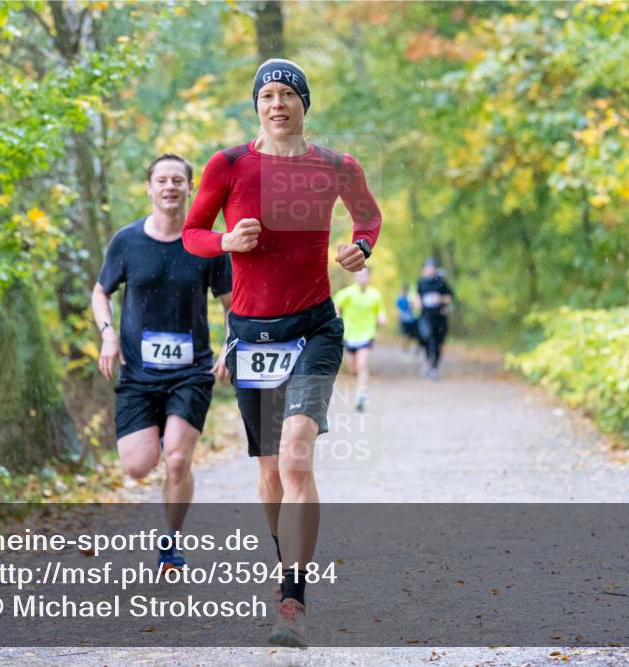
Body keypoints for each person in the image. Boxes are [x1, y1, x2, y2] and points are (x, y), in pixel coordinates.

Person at [182, 58, 382, 647]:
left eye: (287, 94)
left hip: (314, 329)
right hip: (252, 335)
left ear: (303, 104)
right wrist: (225, 239)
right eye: (267, 95)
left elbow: (368, 217)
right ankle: (285, 560)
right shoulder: (228, 165)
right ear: (256, 106)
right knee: (270, 471)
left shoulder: (336, 166)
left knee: (295, 459)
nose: (277, 103)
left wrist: (360, 246)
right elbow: (193, 233)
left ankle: (292, 598)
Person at [91, 153, 232, 572]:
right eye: (162, 180)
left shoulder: (207, 244)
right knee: (137, 466)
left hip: (191, 371)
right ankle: (158, 454)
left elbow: (232, 304)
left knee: (177, 458)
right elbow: (101, 292)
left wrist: (231, 344)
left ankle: (171, 542)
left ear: (190, 188)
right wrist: (108, 334)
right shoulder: (127, 241)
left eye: (177, 180)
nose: (170, 187)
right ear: (149, 188)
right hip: (138, 373)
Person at [334, 267, 386, 412]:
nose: (362, 278)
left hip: (367, 335)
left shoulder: (375, 295)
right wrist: (338, 317)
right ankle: (359, 382)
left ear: (369, 277)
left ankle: (361, 395)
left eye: (365, 275)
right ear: (355, 277)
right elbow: (335, 304)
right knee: (354, 368)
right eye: (359, 275)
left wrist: (382, 319)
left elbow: (380, 312)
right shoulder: (347, 293)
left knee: (362, 364)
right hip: (349, 336)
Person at [415, 257, 453, 381]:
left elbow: (450, 298)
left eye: (431, 267)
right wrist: (417, 302)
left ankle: (434, 367)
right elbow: (417, 295)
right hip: (426, 317)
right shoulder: (421, 282)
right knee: (427, 338)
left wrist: (441, 299)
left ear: (435, 269)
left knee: (438, 342)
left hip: (440, 318)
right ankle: (428, 361)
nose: (429, 270)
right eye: (427, 267)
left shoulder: (441, 282)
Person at [395, 283, 419, 360]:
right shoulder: (400, 299)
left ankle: (409, 351)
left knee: (411, 337)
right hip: (404, 321)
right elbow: (397, 310)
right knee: (405, 336)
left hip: (412, 321)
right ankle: (405, 352)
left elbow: (415, 307)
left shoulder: (410, 298)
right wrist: (399, 318)